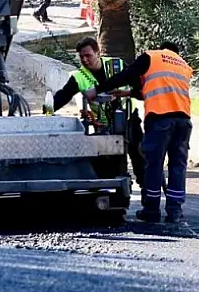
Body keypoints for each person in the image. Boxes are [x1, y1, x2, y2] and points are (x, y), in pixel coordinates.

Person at [86, 42, 193, 224]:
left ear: (162, 48)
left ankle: (151, 210)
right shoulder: (183, 65)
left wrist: (97, 89)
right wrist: (127, 94)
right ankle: (175, 210)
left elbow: (127, 75)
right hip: (183, 120)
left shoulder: (152, 57)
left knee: (153, 164)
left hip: (160, 118)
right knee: (177, 165)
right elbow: (150, 91)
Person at [51, 37, 145, 188]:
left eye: (88, 55)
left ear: (98, 53)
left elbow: (138, 87)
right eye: (81, 57)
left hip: (128, 119)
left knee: (138, 155)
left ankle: (147, 193)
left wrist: (128, 93)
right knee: (110, 162)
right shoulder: (79, 77)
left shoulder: (118, 65)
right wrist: (47, 110)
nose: (85, 60)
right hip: (103, 126)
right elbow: (63, 96)